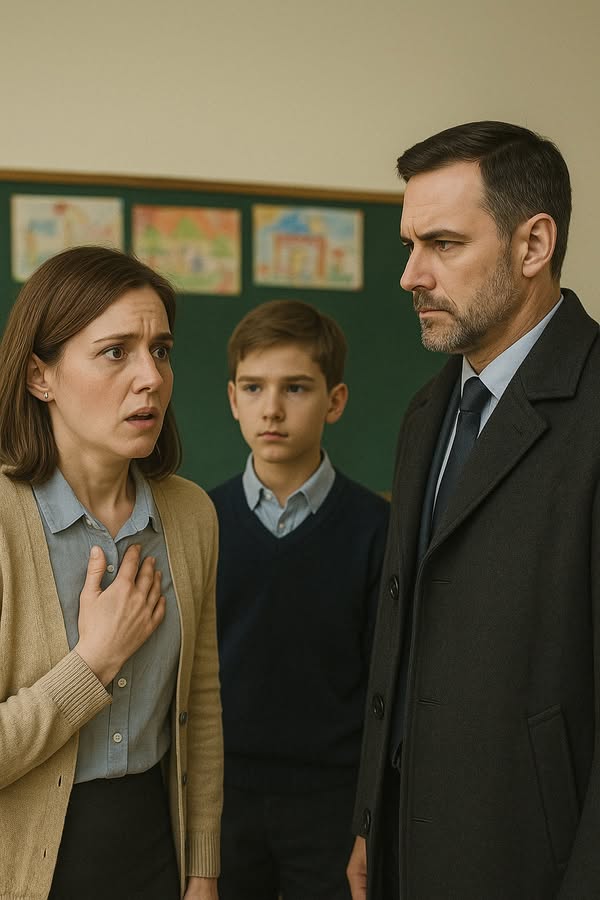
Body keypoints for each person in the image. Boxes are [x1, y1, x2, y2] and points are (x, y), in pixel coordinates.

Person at [346, 121, 600, 900]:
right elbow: (402, 636)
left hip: (530, 862)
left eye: (444, 244)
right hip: (404, 847)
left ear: (533, 245)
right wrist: (370, 821)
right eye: (409, 245)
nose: (410, 275)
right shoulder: (426, 411)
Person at [0, 245, 223, 900]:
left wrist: (203, 869)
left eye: (161, 350)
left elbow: (201, 704)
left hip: (155, 854)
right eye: (116, 351)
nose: (150, 377)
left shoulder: (191, 514)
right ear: (40, 376)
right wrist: (93, 663)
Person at [209, 300, 389, 900]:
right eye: (254, 388)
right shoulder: (201, 522)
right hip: (222, 799)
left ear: (334, 401)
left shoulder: (376, 529)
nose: (272, 409)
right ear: (232, 399)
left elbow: (383, 684)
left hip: (332, 804)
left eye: (296, 388)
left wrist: (369, 816)